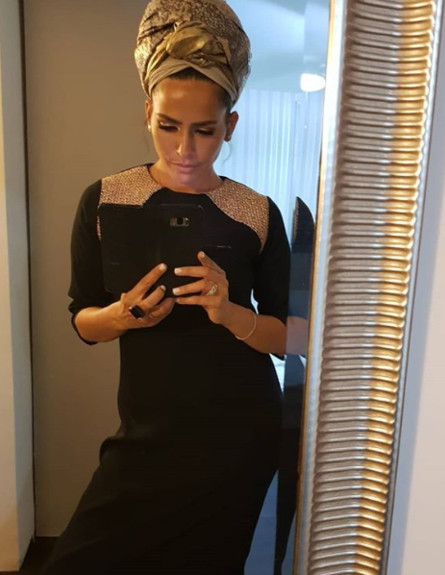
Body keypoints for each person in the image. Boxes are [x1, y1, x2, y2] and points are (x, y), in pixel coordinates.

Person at [42, 1, 290, 573]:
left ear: (231, 125)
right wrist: (121, 315)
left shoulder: (256, 212)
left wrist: (230, 313)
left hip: (237, 439)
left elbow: (293, 337)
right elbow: (83, 320)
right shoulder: (105, 201)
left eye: (205, 131)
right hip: (145, 437)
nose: (184, 149)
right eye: (168, 126)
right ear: (146, 113)